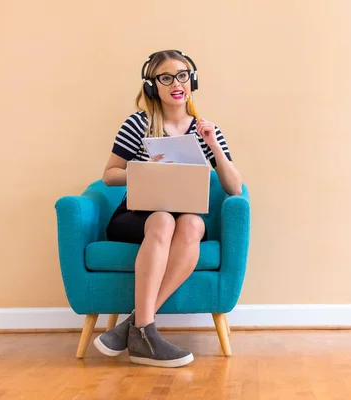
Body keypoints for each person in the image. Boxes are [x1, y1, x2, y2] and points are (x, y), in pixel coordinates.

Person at [92, 49, 243, 368]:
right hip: (137, 216)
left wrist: (213, 144)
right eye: (165, 77)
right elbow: (109, 176)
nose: (176, 83)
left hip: (182, 215)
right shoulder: (138, 124)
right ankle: (145, 332)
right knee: (162, 220)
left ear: (193, 80)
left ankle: (136, 328)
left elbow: (234, 188)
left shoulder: (204, 130)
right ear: (152, 86)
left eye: (183, 75)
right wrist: (142, 166)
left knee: (193, 225)